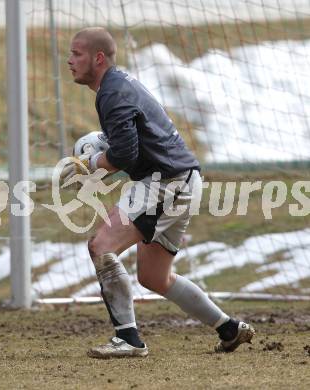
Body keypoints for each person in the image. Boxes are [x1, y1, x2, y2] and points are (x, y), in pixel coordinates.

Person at [65, 27, 255, 358]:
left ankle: (128, 340)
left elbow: (124, 155)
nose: (69, 60)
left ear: (98, 58)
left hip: (166, 181)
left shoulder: (112, 93)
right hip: (179, 179)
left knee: (101, 246)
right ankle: (229, 328)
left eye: (76, 53)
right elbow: (129, 150)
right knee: (154, 277)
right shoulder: (119, 85)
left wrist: (90, 162)